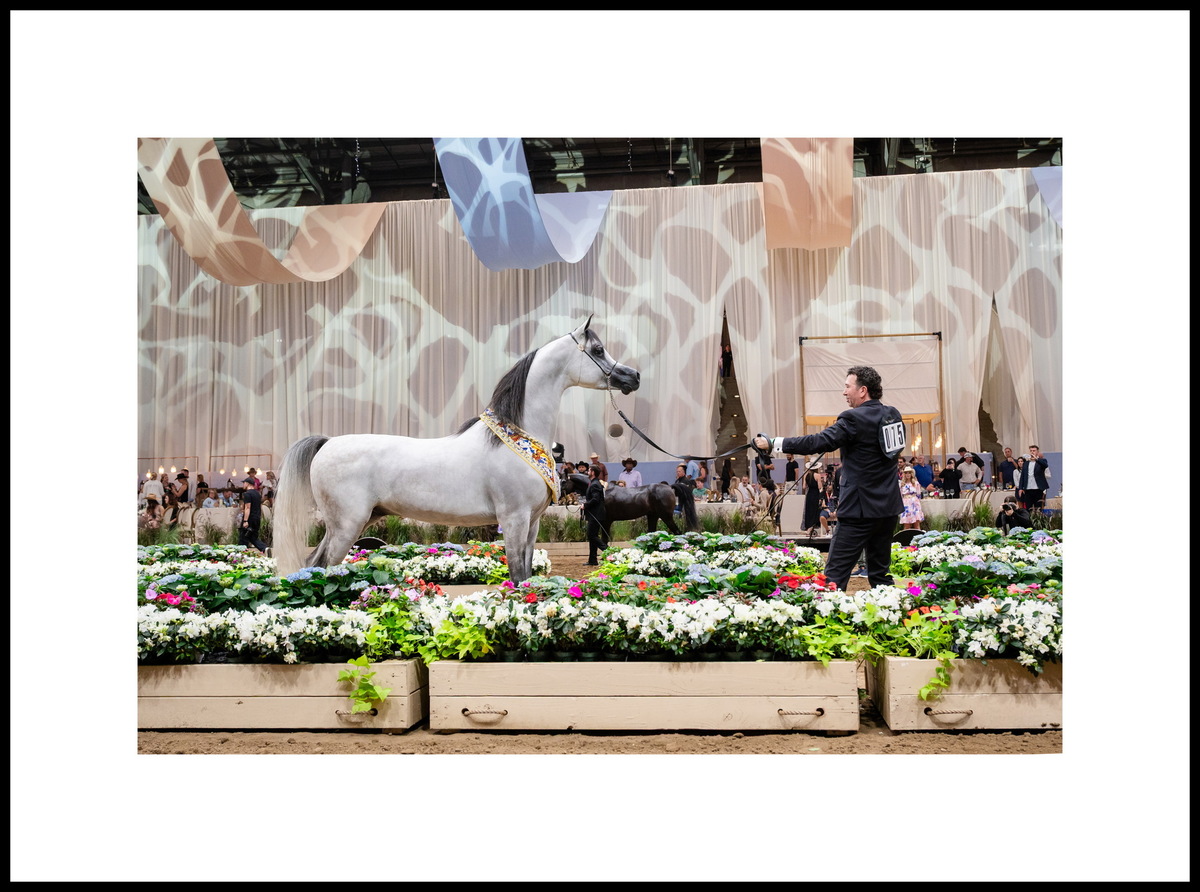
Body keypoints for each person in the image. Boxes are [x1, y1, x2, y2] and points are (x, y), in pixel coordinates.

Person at [754, 365, 906, 591]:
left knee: (833, 578)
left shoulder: (853, 418)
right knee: (881, 576)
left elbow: (817, 442)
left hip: (859, 510)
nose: (844, 392)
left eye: (847, 387)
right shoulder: (892, 414)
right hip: (888, 508)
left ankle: (827, 621)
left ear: (863, 390)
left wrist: (774, 443)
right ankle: (890, 618)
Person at [583, 463, 608, 565]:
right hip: (595, 514)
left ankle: (608, 551)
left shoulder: (595, 484)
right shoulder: (595, 483)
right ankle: (592, 560)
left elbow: (595, 499)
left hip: (596, 515)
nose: (587, 472)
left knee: (592, 535)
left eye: (589, 470)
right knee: (592, 536)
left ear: (593, 472)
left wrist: (585, 505)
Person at [238, 476, 267, 553]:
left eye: (244, 483)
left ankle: (240, 555)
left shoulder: (247, 494)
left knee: (243, 538)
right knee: (253, 537)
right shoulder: (258, 494)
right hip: (257, 518)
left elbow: (248, 507)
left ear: (247, 483)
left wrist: (245, 521)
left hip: (250, 518)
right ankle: (265, 548)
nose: (243, 485)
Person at [1016, 445, 1050, 511]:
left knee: (1038, 508)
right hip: (1028, 489)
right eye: (1031, 451)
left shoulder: (1041, 461)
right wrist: (1020, 488)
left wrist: (1036, 459)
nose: (1032, 452)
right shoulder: (1026, 463)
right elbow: (1023, 476)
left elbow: (1045, 465)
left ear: (1037, 452)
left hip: (1038, 488)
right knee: (1029, 508)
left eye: (1034, 451)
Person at [802, 462, 824, 536]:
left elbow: (804, 487)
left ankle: (808, 527)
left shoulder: (806, 475)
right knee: (815, 512)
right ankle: (810, 528)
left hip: (809, 495)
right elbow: (819, 487)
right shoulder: (818, 475)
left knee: (809, 511)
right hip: (815, 495)